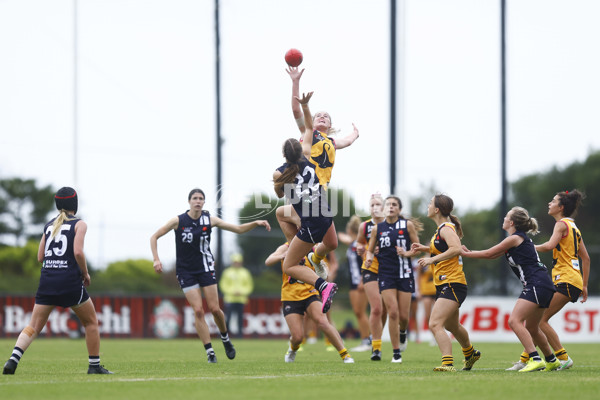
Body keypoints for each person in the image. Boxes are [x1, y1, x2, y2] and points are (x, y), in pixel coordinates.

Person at [150, 188, 270, 363]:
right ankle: (210, 352)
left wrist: (256, 222)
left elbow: (237, 229)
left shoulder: (210, 220)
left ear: (204, 202)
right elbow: (154, 237)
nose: (198, 201)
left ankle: (225, 338)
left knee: (215, 309)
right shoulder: (178, 221)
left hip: (206, 268)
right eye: (195, 198)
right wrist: (156, 259)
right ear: (189, 201)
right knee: (198, 310)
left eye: (201, 198)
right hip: (186, 271)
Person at [3, 187, 112, 375]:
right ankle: (94, 366)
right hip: (69, 282)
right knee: (91, 322)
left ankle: (13, 359)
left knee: (33, 326)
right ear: (74, 204)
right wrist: (85, 273)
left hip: (48, 281)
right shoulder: (80, 224)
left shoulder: (48, 225)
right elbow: (78, 252)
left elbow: (40, 257)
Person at [276, 67, 359, 272]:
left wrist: (356, 134)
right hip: (303, 192)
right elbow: (297, 110)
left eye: (326, 116)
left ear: (330, 125)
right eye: (318, 115)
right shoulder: (308, 134)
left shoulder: (330, 140)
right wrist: (295, 82)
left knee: (331, 244)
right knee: (293, 220)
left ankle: (314, 257)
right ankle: (299, 254)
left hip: (319, 195)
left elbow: (346, 141)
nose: (321, 116)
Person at [462, 207, 561, 372]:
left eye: (506, 217)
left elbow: (488, 253)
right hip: (543, 283)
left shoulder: (514, 238)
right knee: (532, 328)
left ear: (512, 222)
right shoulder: (517, 239)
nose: (504, 219)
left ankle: (535, 359)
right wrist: (470, 252)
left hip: (536, 283)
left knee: (514, 321)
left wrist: (463, 253)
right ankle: (551, 360)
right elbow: (493, 255)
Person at [506, 190, 590, 371]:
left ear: (561, 207)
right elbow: (587, 258)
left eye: (553, 201)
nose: (549, 204)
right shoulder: (574, 227)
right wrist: (583, 284)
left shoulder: (561, 225)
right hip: (573, 280)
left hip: (565, 279)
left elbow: (549, 245)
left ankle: (563, 358)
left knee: (540, 321)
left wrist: (527, 246)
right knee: (534, 322)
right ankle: (526, 359)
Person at [272, 92, 339, 314]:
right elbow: (309, 128)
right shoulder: (309, 157)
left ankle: (323, 286)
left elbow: (281, 194)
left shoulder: (279, 172)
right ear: (301, 150)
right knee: (331, 243)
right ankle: (307, 252)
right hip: (325, 211)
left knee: (289, 266)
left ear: (284, 155)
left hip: (310, 222)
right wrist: (306, 106)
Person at [410, 194, 480, 372]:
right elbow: (442, 248)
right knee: (451, 325)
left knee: (435, 324)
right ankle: (470, 353)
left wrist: (432, 260)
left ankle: (447, 363)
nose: (427, 206)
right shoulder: (442, 229)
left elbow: (456, 249)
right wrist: (424, 249)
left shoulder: (446, 228)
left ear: (437, 209)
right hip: (446, 284)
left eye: (430, 203)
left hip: (453, 283)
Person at [265, 242, 354, 363]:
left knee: (323, 322)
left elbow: (324, 272)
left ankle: (345, 355)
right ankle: (293, 348)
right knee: (297, 337)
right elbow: (268, 261)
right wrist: (282, 256)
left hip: (310, 293)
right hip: (290, 296)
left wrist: (323, 269)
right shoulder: (286, 247)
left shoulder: (314, 248)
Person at [365, 196, 422, 363]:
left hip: (404, 273)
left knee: (404, 316)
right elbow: (369, 250)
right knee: (393, 311)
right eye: (388, 204)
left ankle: (403, 332)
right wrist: (369, 258)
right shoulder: (377, 228)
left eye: (394, 204)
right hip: (386, 274)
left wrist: (407, 253)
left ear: (399, 209)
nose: (391, 207)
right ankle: (396, 353)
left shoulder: (407, 226)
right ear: (384, 208)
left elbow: (417, 248)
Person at [356, 194, 387, 360]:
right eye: (372, 205)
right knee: (376, 308)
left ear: (384, 207)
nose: (374, 207)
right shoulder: (364, 226)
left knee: (387, 310)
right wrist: (362, 250)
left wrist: (382, 249)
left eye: (377, 204)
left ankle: (400, 334)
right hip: (370, 269)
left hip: (389, 270)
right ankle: (376, 348)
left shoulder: (392, 224)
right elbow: (359, 243)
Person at [338, 215, 370, 352]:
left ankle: (367, 340)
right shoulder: (352, 244)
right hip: (353, 282)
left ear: (351, 230)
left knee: (361, 312)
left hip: (360, 281)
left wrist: (363, 280)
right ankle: (366, 339)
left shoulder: (360, 245)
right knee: (358, 312)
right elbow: (344, 238)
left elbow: (365, 261)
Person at [219, 253, 254, 338]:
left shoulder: (245, 272)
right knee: (228, 317)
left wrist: (241, 292)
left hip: (241, 299)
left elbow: (249, 285)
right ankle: (225, 334)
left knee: (240, 318)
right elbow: (223, 285)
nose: (236, 264)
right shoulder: (227, 272)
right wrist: (232, 292)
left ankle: (240, 335)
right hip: (229, 298)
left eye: (238, 262)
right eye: (235, 262)